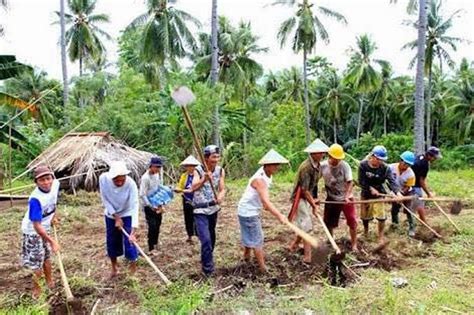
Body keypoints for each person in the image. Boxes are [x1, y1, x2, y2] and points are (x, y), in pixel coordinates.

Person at [237, 149, 289, 273]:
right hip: (248, 211)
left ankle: (246, 256)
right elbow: (266, 202)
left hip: (247, 209)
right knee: (257, 238)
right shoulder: (260, 180)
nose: (277, 167)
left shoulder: (267, 175)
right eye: (275, 165)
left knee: (250, 234)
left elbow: (265, 201)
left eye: (278, 164)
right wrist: (279, 215)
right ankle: (262, 268)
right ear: (267, 165)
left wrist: (268, 207)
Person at [21, 165, 60, 299]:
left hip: (46, 227)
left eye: (48, 178)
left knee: (47, 256)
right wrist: (52, 241)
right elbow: (36, 226)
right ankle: (37, 289)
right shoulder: (35, 200)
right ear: (36, 182)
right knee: (37, 262)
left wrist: (54, 216)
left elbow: (55, 203)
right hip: (33, 231)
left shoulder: (55, 185)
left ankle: (49, 281)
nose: (46, 182)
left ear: (52, 178)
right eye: (42, 180)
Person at [289, 139, 328, 263]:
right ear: (313, 153)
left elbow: (314, 185)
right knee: (306, 226)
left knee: (303, 224)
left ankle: (294, 245)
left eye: (323, 153)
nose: (323, 155)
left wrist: (314, 199)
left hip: (307, 196)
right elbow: (305, 190)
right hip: (299, 197)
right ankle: (307, 257)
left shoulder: (319, 166)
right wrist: (313, 205)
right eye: (320, 152)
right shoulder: (306, 167)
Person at [99, 161, 139, 278]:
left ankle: (133, 267)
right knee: (112, 241)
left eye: (122, 179)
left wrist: (133, 231)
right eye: (116, 180)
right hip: (111, 214)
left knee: (130, 242)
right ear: (111, 177)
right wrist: (115, 216)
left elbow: (134, 205)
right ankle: (114, 266)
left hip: (127, 213)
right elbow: (104, 198)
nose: (119, 182)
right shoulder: (103, 179)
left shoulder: (131, 184)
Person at [191, 145, 226, 277]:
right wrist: (204, 179)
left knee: (211, 239)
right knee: (205, 239)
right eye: (213, 157)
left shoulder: (220, 170)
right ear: (206, 158)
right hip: (200, 209)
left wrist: (221, 196)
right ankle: (208, 270)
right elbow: (193, 187)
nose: (216, 159)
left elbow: (222, 188)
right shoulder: (198, 170)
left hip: (213, 209)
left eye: (217, 157)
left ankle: (207, 258)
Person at [358, 145, 401, 245]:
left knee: (381, 217)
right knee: (365, 216)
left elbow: (392, 181)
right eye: (378, 159)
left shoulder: (385, 168)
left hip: (379, 194)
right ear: (372, 156)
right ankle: (365, 231)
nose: (380, 162)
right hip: (366, 194)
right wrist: (370, 188)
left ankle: (380, 236)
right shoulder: (363, 165)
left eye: (382, 160)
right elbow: (361, 181)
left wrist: (397, 193)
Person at [320, 144, 358, 251]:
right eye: (335, 158)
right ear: (329, 156)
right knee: (328, 222)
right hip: (331, 198)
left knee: (352, 220)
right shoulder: (322, 166)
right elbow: (314, 180)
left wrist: (347, 196)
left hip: (346, 198)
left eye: (339, 159)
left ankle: (354, 244)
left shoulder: (345, 166)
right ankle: (331, 241)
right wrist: (314, 197)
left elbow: (350, 182)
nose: (337, 161)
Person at [139, 157, 163, 255]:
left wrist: (161, 202)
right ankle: (151, 247)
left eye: (159, 167)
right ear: (151, 166)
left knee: (158, 224)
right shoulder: (145, 178)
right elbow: (142, 194)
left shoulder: (158, 175)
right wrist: (150, 205)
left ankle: (155, 242)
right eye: (156, 167)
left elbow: (159, 187)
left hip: (157, 202)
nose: (158, 169)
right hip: (148, 205)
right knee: (152, 225)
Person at [411, 146, 442, 223]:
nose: (435, 160)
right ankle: (424, 222)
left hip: (410, 182)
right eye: (434, 158)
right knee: (420, 203)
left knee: (413, 203)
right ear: (429, 155)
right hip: (414, 185)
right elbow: (421, 181)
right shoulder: (424, 164)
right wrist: (428, 194)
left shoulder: (419, 157)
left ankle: (410, 216)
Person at [390, 151, 416, 237]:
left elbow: (408, 187)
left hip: (407, 192)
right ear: (400, 161)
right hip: (394, 191)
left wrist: (401, 195)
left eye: (409, 165)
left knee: (409, 209)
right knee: (394, 209)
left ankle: (412, 227)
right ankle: (395, 225)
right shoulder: (391, 168)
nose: (406, 166)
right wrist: (394, 194)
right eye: (405, 164)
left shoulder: (411, 174)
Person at [176, 155, 200, 243]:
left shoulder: (198, 175)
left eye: (192, 166)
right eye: (188, 165)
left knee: (197, 217)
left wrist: (183, 190)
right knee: (188, 217)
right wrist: (179, 189)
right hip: (186, 198)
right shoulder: (184, 176)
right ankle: (190, 235)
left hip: (196, 199)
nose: (190, 167)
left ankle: (198, 234)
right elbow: (180, 186)